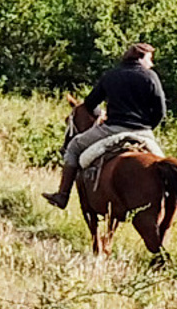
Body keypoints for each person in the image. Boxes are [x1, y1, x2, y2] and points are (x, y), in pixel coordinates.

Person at [45, 41, 169, 207]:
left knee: (73, 147)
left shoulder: (111, 75)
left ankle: (62, 195)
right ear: (140, 57)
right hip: (143, 132)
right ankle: (170, 199)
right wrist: (147, 127)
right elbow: (161, 111)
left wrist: (100, 114)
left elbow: (89, 104)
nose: (151, 63)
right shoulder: (151, 77)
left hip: (112, 129)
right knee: (167, 169)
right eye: (150, 59)